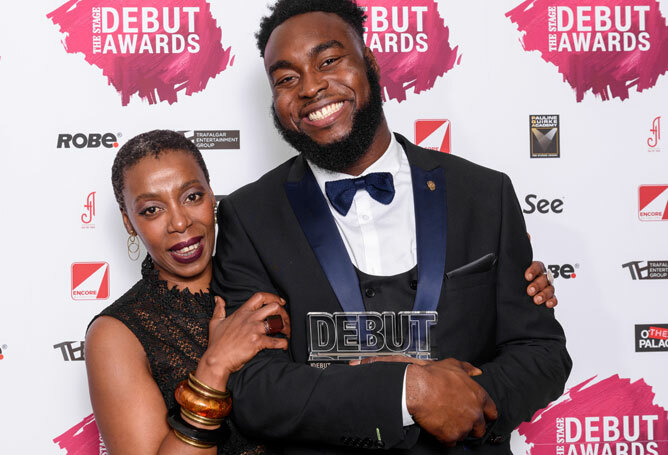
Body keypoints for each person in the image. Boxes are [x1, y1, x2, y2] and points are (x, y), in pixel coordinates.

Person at [211, 1, 572, 454]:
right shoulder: (249, 216)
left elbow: (541, 353)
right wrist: (410, 393)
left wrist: (468, 401)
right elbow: (257, 388)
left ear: (371, 62)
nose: (311, 87)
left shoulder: (484, 194)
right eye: (286, 78)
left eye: (328, 61)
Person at [85, 130, 292, 455]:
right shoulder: (117, 334)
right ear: (128, 222)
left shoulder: (273, 280)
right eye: (152, 209)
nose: (180, 222)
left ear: (212, 195)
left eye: (192, 196)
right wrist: (215, 365)